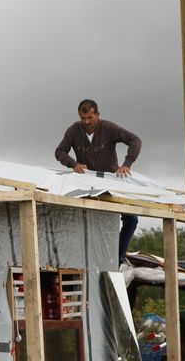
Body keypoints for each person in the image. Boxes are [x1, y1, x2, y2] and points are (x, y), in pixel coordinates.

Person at [55, 99, 141, 263]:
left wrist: (127, 164)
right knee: (85, 220)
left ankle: (117, 258)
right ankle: (79, 259)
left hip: (110, 182)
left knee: (131, 219)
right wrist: (74, 164)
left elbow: (135, 140)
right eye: (83, 118)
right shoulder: (74, 131)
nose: (86, 122)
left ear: (97, 115)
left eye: (90, 118)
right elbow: (59, 152)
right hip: (86, 184)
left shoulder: (109, 128)